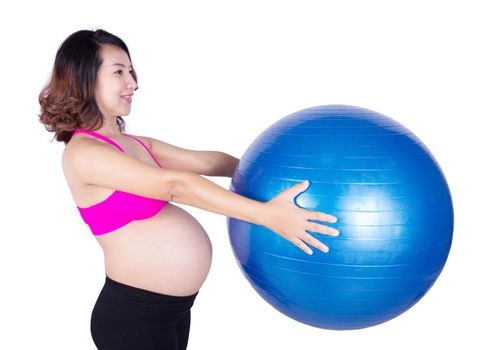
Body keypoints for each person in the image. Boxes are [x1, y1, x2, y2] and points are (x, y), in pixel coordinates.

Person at [38, 29, 339, 350]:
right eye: (118, 72)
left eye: (131, 71)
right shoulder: (84, 153)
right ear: (84, 79)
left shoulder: (133, 143)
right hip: (133, 317)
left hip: (171, 309)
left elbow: (208, 162)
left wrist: (269, 173)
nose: (133, 83)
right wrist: (267, 216)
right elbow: (175, 186)